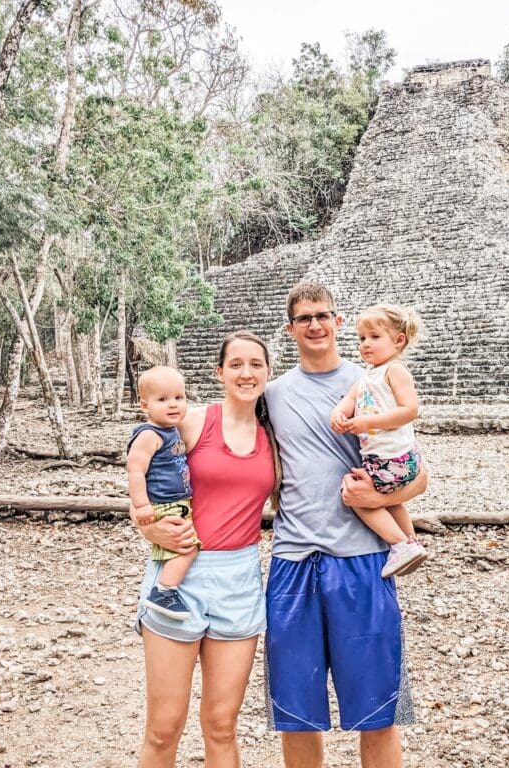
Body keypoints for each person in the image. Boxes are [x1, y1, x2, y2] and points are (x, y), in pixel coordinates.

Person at [264, 282, 428, 768]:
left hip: (362, 559)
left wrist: (380, 495)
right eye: (304, 318)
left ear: (338, 322)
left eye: (323, 315)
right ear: (291, 328)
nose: (315, 325)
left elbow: (417, 475)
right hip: (293, 560)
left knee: (378, 709)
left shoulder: (375, 379)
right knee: (295, 710)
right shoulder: (271, 395)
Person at [131, 331, 279, 768]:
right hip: (180, 575)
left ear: (268, 372)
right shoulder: (191, 422)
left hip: (240, 579)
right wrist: (150, 529)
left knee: (221, 725)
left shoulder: (275, 437)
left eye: (256, 364)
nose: (246, 372)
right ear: (219, 373)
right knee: (162, 728)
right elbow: (144, 481)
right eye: (236, 364)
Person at [330, 304, 429, 578]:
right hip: (387, 458)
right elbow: (348, 402)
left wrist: (367, 422)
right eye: (362, 338)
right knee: (389, 500)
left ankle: (399, 545)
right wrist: (338, 415)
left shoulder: (394, 370)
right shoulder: (367, 375)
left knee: (357, 498)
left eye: (374, 337)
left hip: (392, 458)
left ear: (398, 341)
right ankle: (411, 541)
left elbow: (410, 410)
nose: (365, 344)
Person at [127, 365, 199, 620]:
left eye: (179, 398)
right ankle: (164, 591)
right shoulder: (149, 434)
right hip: (164, 502)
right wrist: (142, 506)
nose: (173, 405)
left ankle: (166, 587)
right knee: (187, 547)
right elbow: (135, 470)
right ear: (145, 406)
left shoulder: (172, 430)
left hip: (176, 501)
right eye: (163, 399)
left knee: (182, 544)